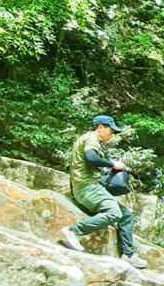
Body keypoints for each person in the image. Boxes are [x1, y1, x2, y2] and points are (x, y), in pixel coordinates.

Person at [59, 115, 147, 269]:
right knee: (114, 213)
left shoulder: (94, 141)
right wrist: (113, 164)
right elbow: (91, 158)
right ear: (100, 127)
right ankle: (72, 231)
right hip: (88, 188)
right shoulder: (91, 138)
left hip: (90, 187)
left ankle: (128, 255)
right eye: (110, 130)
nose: (111, 134)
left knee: (125, 215)